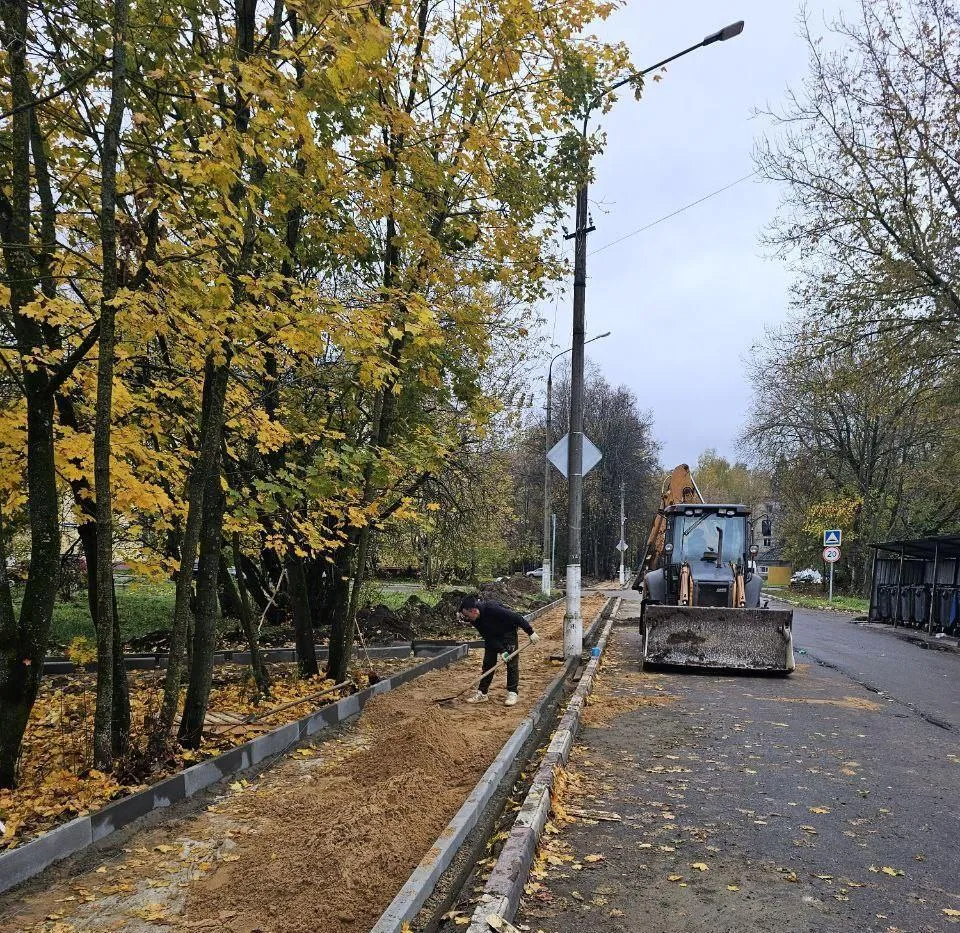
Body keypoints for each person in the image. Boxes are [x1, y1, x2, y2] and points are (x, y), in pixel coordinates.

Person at [458, 595, 541, 706]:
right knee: (488, 663)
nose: (467, 619)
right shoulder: (475, 620)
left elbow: (517, 617)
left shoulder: (492, 609)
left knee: (511, 662)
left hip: (508, 632)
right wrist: (502, 651)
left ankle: (512, 692)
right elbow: (489, 637)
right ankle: (482, 693)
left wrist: (530, 632)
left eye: (467, 615)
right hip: (492, 636)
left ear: (473, 611)